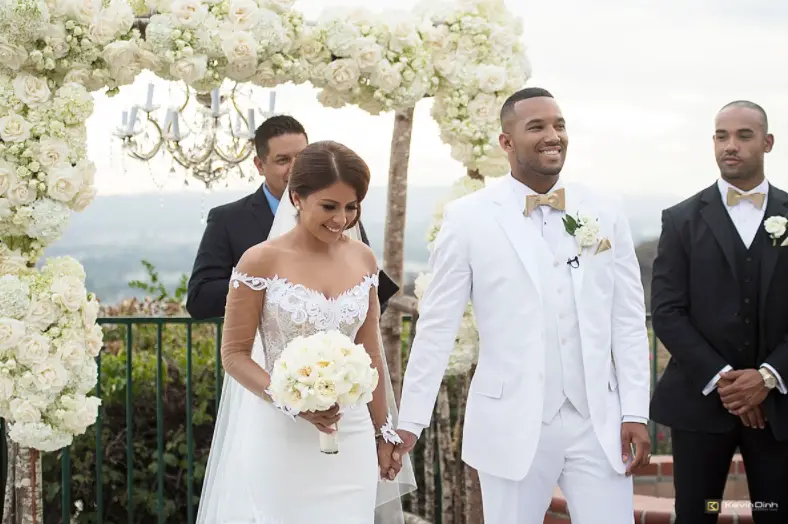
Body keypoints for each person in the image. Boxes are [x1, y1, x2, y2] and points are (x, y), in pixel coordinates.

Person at [389, 87, 652, 523]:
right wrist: (410, 422)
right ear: (506, 143)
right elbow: (436, 328)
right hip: (511, 421)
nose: (554, 135)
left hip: (598, 424)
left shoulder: (606, 209)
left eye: (559, 125)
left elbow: (626, 320)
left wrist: (635, 411)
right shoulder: (468, 218)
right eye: (538, 127)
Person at [195, 141, 417, 523]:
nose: (341, 219)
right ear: (297, 197)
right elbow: (233, 355)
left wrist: (383, 433)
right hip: (280, 435)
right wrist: (291, 403)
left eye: (352, 207)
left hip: (352, 436)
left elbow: (371, 353)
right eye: (329, 206)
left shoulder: (363, 258)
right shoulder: (260, 260)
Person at [649, 100, 788, 523]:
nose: (731, 145)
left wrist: (766, 376)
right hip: (701, 400)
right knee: (698, 512)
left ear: (767, 143)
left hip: (779, 404)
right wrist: (725, 380)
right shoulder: (681, 220)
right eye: (721, 135)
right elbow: (667, 310)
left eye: (744, 136)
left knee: (775, 512)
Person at [186, 115, 399, 319]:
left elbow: (373, 292)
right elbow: (199, 299)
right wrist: (272, 283)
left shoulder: (339, 214)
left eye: (302, 157)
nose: (296, 167)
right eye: (283, 160)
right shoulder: (228, 219)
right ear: (260, 165)